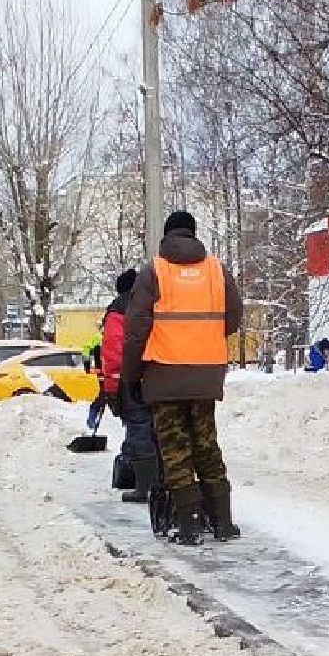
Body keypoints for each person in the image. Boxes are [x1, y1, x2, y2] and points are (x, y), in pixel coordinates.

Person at [121, 211, 244, 544]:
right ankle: (222, 522)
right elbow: (232, 318)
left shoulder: (154, 271)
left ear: (167, 235)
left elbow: (135, 331)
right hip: (206, 373)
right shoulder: (217, 270)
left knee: (175, 449)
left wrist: (131, 377)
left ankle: (188, 526)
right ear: (193, 235)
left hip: (164, 373)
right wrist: (202, 337)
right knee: (206, 444)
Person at [99, 268, 159, 503]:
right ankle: (164, 481)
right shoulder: (155, 304)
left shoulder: (118, 310)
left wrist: (111, 389)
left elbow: (114, 353)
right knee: (159, 428)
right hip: (161, 376)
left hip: (130, 379)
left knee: (139, 428)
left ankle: (144, 487)